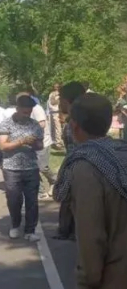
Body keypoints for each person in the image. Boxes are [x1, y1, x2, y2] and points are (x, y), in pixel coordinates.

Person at [53, 94, 127, 289]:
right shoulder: (121, 152)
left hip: (116, 282)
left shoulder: (86, 167)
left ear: (74, 126)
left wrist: (84, 288)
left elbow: (91, 237)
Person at [0, 95, 44, 242]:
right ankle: (15, 225)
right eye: (24, 112)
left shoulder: (34, 125)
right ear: (17, 109)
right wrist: (21, 141)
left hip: (30, 167)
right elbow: (3, 146)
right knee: (14, 199)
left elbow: (40, 146)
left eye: (29, 112)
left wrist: (33, 144)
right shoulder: (6, 124)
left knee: (32, 200)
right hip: (12, 168)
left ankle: (30, 230)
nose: (27, 114)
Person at [53, 81, 88, 241]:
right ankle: (67, 230)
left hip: (79, 167)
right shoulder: (80, 118)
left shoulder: (77, 121)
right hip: (77, 165)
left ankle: (74, 230)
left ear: (66, 101)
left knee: (75, 201)